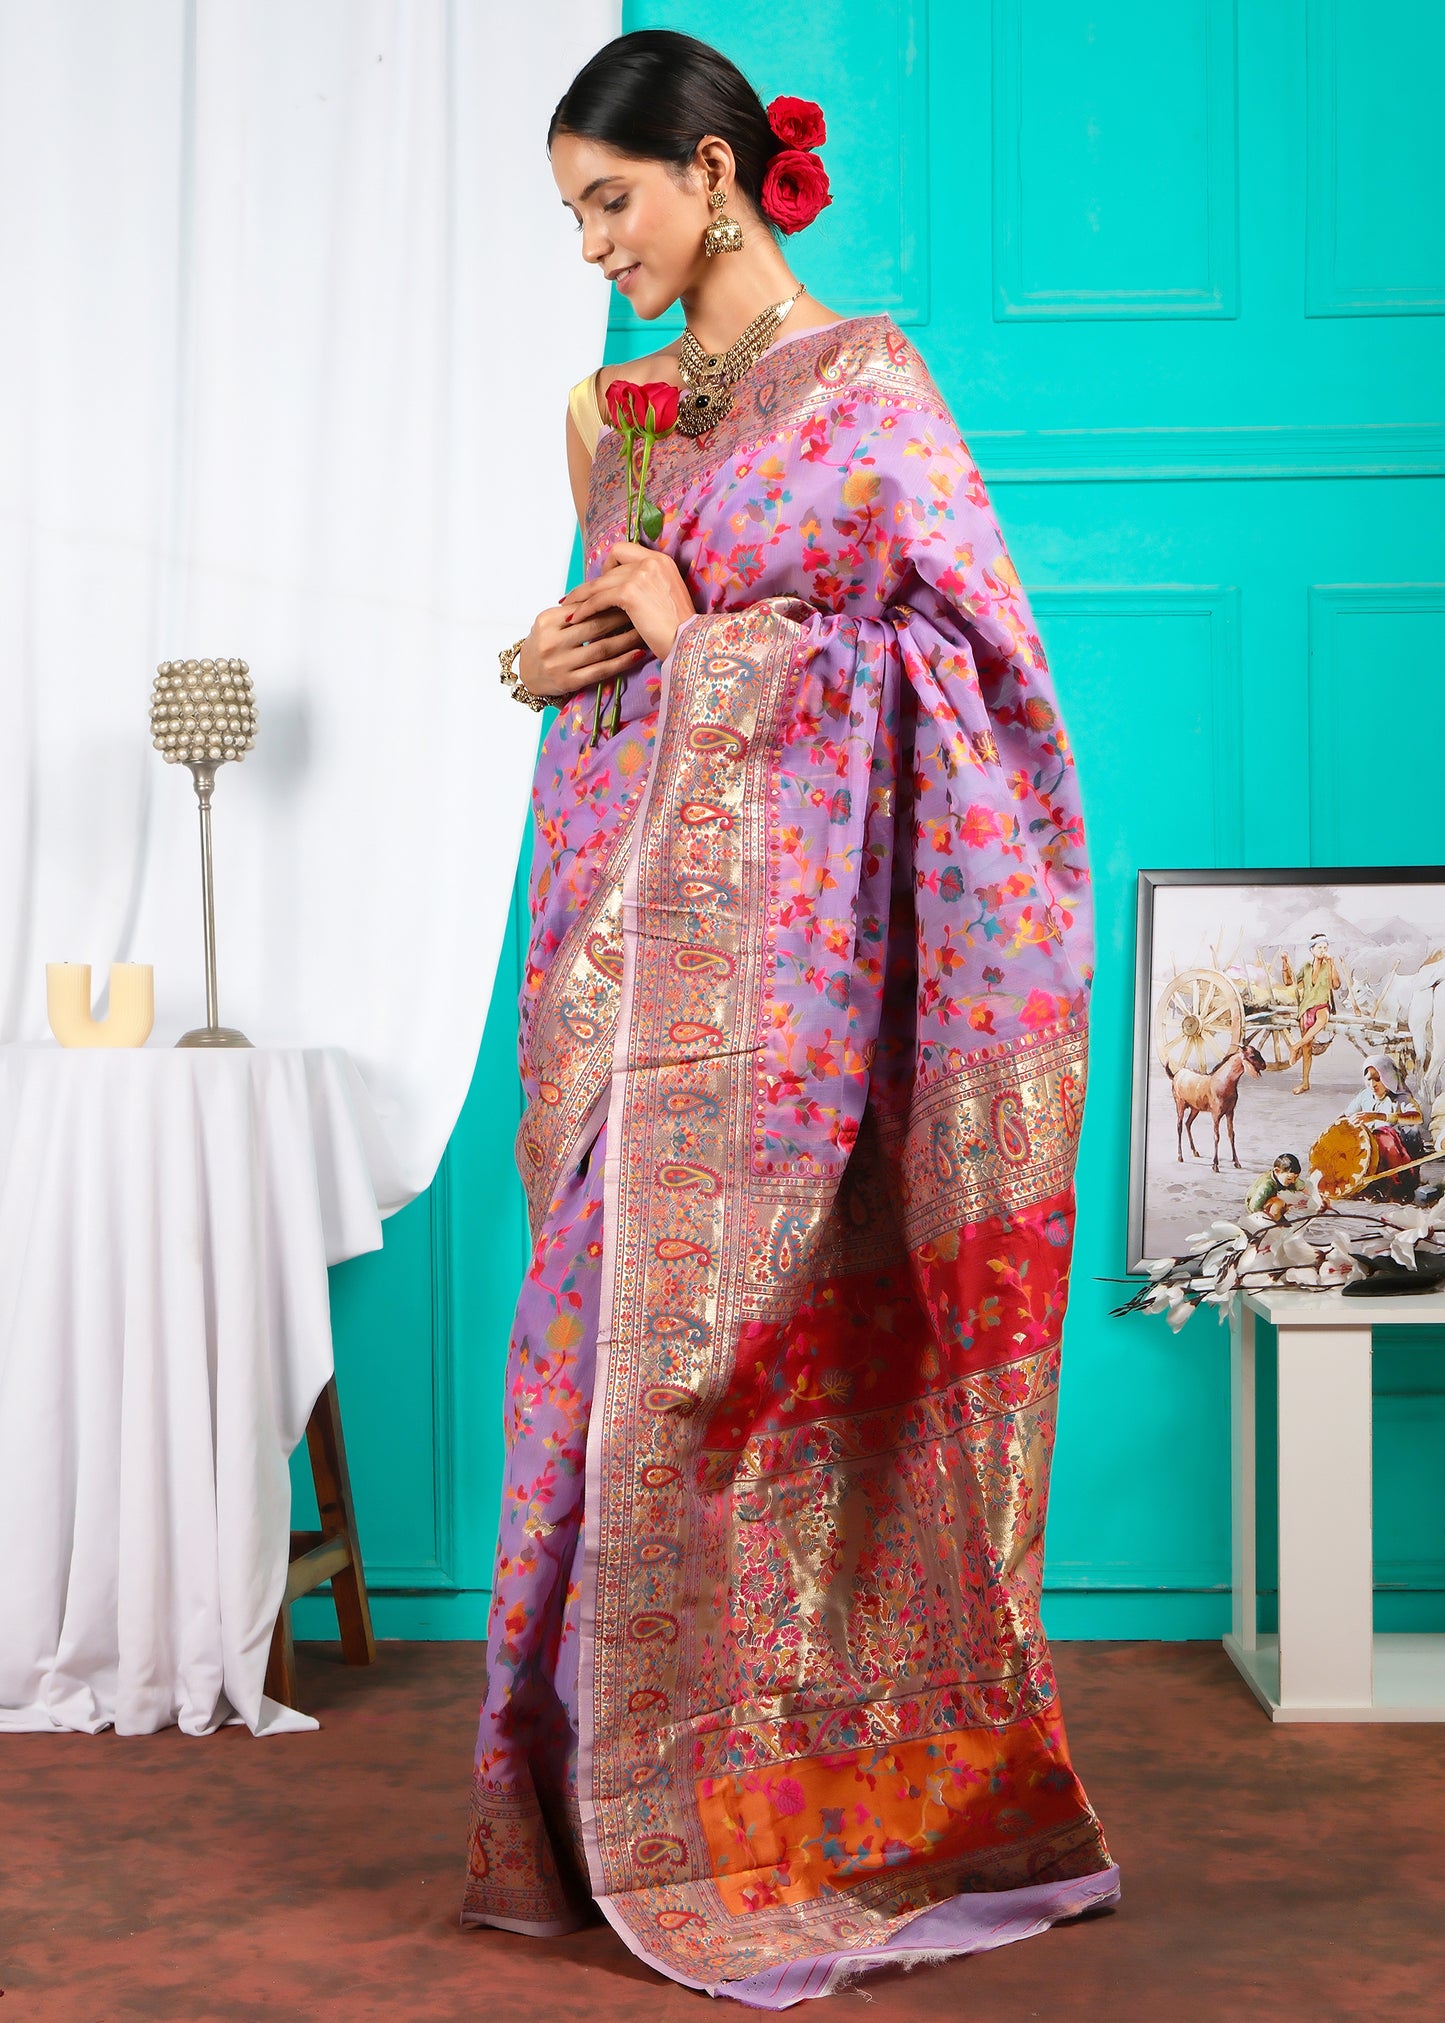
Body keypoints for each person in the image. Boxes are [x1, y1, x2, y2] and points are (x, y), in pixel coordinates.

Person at [462, 28, 1117, 2004]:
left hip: (802, 997)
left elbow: (971, 671)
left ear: (720, 171)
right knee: (581, 1384)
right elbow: (613, 663)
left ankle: (787, 1815)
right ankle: (583, 1821)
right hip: (621, 966)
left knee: (754, 1397)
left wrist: (705, 645)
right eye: (572, 211)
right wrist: (555, 653)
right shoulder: (614, 407)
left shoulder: (871, 389)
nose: (595, 247)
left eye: (613, 199)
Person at [1289, 932, 1342, 1094]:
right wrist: (1285, 963)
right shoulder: (1306, 967)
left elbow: (1336, 985)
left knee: (1321, 1020)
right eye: (1319, 947)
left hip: (1322, 1006)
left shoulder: (1329, 966)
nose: (1322, 950)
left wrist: (1332, 964)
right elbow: (1289, 982)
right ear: (1311, 950)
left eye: (1325, 947)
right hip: (1306, 1007)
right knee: (1307, 1049)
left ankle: (1295, 1046)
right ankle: (1305, 1083)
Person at [1246, 1152, 1303, 1222]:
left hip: (1272, 1203)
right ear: (1277, 1171)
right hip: (1258, 1207)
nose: (1293, 1181)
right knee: (1279, 1203)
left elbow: (1302, 1186)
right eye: (1289, 1179)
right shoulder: (1266, 1185)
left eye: (1296, 1178)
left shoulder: (1287, 1178)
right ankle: (1277, 1222)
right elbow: (1254, 1207)